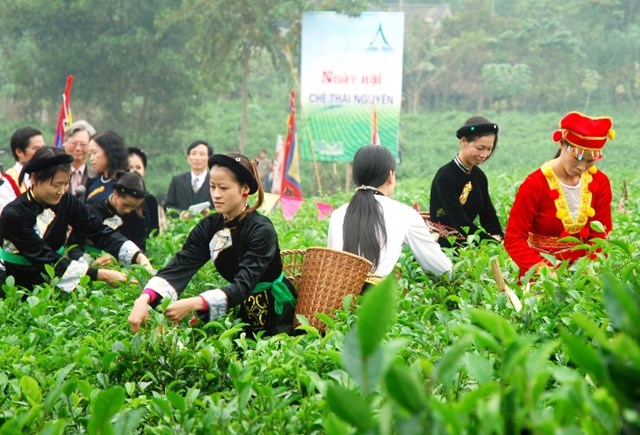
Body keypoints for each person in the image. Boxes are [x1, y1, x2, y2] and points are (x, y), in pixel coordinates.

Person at [128, 152, 296, 336]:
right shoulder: (210, 227)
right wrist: (144, 299)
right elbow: (181, 265)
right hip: (242, 306)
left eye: (223, 188)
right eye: (212, 187)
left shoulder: (261, 230)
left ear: (245, 189)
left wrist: (195, 303)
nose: (216, 195)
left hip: (276, 312)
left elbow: (243, 284)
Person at [0, 147, 152, 293]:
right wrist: (101, 275)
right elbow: (45, 257)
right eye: (56, 185)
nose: (61, 191)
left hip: (51, 283)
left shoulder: (66, 201)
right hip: (15, 284)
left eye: (66, 184)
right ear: (35, 179)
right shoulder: (14, 215)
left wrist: (137, 256)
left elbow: (97, 230)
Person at [504, 111, 614, 278]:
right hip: (540, 274)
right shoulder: (535, 184)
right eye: (577, 157)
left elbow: (601, 235)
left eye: (589, 161)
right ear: (562, 144)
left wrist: (585, 269)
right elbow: (514, 239)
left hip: (584, 274)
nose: (581, 166)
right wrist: (545, 272)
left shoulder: (600, 182)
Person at [328, 145, 452, 284]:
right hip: (378, 301)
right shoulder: (404, 214)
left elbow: (333, 263)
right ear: (390, 176)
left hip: (338, 299)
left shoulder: (338, 214)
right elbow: (441, 269)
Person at [429, 116, 504, 247]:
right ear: (463, 141)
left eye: (489, 149)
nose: (484, 155)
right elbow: (460, 221)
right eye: (480, 148)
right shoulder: (445, 177)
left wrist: (503, 241)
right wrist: (491, 242)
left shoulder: (479, 176)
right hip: (444, 247)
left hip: (469, 244)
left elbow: (488, 215)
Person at [68, 171, 150, 258]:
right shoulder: (92, 212)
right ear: (115, 193)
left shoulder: (137, 218)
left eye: (134, 207)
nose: (128, 210)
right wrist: (90, 263)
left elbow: (139, 248)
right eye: (125, 204)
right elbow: (73, 246)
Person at [0, 127, 45, 214]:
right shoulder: (7, 182)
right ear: (19, 152)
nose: (43, 152)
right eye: (36, 149)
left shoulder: (47, 174)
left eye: (43, 148)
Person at [164, 140, 213, 215]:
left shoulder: (215, 181)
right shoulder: (177, 181)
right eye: (193, 154)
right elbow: (168, 206)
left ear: (209, 158)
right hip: (182, 225)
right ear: (188, 158)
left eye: (202, 154)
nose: (197, 158)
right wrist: (182, 215)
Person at [85, 130, 129, 205]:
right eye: (90, 154)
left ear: (109, 152)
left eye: (94, 152)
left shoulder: (125, 183)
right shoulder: (92, 183)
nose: (91, 158)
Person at [128, 147, 160, 237]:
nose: (134, 171)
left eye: (138, 168)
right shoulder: (115, 197)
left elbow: (155, 232)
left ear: (144, 170)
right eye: (129, 167)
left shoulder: (150, 200)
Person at [63, 120, 96, 199]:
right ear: (65, 144)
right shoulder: (55, 172)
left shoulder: (96, 176)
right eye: (74, 144)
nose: (78, 148)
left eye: (83, 145)